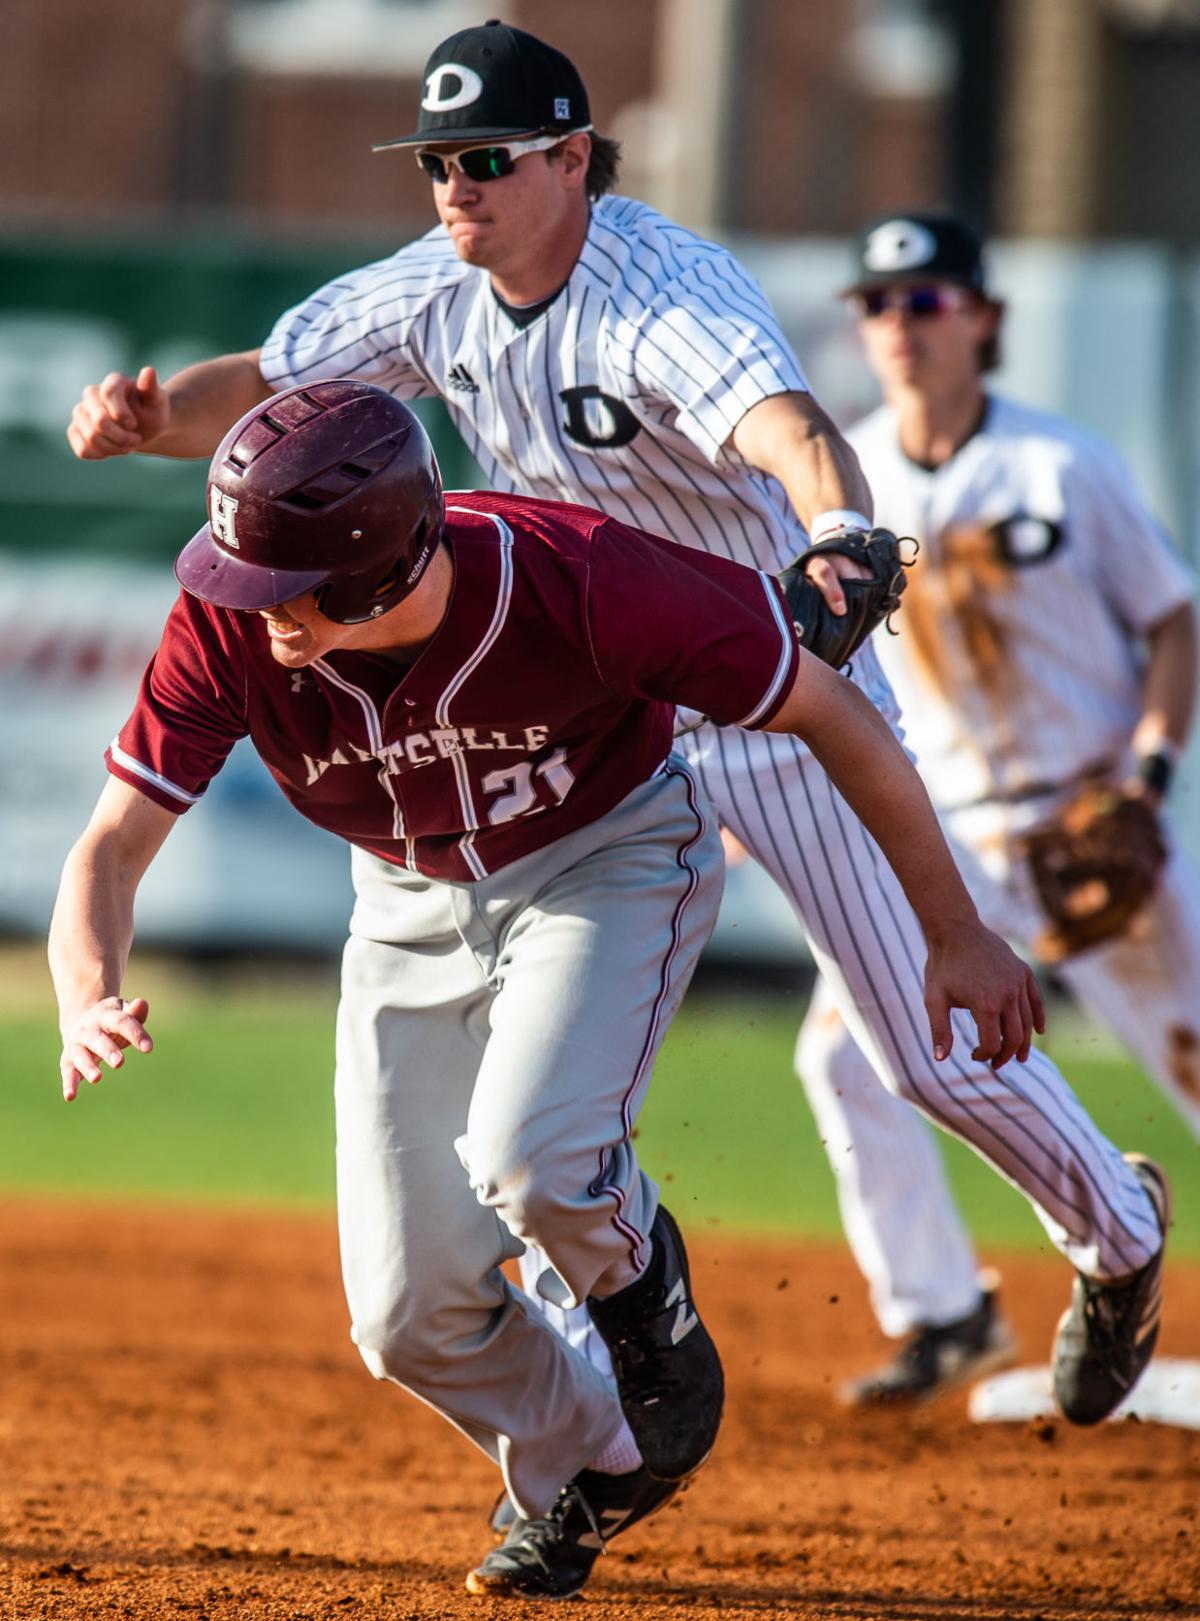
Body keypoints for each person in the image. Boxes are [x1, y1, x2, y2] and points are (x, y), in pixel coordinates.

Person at [64, 22, 1166, 1427]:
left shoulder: (659, 293)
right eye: (437, 163)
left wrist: (836, 533)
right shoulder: (436, 288)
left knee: (917, 1049)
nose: (454, 188)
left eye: (487, 160)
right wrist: (155, 416)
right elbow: (277, 386)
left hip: (760, 682)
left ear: (575, 159)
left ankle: (1116, 1235)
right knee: (530, 1086)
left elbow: (791, 427)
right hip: (587, 704)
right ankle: (594, 1392)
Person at [51, 379, 1099, 1596]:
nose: (252, 607)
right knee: (403, 1318)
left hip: (606, 860)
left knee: (534, 1156)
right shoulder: (233, 619)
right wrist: (87, 992)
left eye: (282, 584)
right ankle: (598, 1458)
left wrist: (953, 929)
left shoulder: (583, 576)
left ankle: (646, 1312)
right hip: (402, 903)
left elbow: (832, 712)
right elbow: (110, 847)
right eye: (241, 576)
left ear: (383, 567)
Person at [795, 211, 1198, 1399]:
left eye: (926, 302)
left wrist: (1150, 774)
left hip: (1096, 814)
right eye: (878, 304)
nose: (901, 326)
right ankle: (944, 1314)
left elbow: (1175, 618)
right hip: (953, 838)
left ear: (982, 317)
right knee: (850, 1058)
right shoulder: (848, 483)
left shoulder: (1061, 464)